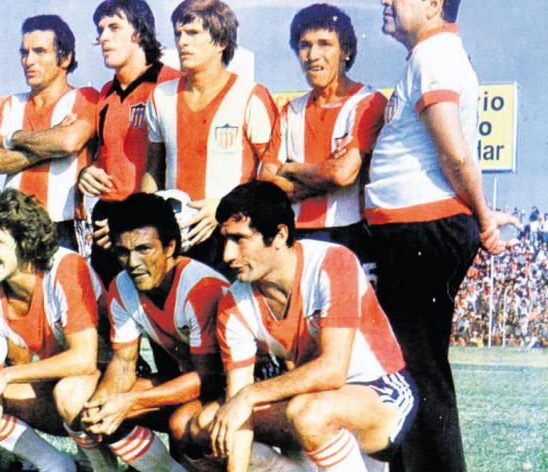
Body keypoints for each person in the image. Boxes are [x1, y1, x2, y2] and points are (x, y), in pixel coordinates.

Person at [369, 1, 518, 470]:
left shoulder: (435, 56)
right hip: (413, 228)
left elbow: (454, 152)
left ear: (434, 5)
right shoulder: (427, 55)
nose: (386, 1)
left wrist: (484, 216)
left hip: (421, 227)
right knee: (412, 365)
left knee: (417, 369)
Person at [189, 181, 417, 472]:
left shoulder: (331, 263)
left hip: (380, 391)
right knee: (208, 426)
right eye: (225, 240)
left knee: (308, 413)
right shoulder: (233, 304)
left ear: (279, 235)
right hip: (310, 399)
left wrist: (249, 395)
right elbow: (238, 411)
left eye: (239, 239)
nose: (227, 255)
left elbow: (333, 370)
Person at [0, 188, 102, 472]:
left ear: (24, 241)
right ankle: (56, 466)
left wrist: (8, 375)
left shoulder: (65, 267)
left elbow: (84, 359)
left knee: (69, 393)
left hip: (109, 383)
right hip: (64, 385)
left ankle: (102, 468)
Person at [75, 192, 228, 471]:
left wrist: (132, 399)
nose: (133, 262)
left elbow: (207, 378)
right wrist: (102, 400)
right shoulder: (121, 285)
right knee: (93, 407)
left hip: (234, 383)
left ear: (170, 247)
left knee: (182, 423)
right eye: (123, 252)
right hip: (189, 379)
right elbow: (124, 363)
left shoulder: (201, 288)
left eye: (143, 249)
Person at [143, 0, 280, 270]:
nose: (182, 42)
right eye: (179, 34)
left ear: (221, 42)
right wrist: (144, 218)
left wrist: (226, 205)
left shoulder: (250, 95)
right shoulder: (161, 96)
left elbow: (270, 179)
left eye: (193, 33)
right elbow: (153, 169)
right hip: (176, 235)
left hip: (231, 236)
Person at [260, 4, 386, 276]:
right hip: (295, 236)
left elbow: (342, 174)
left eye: (324, 44)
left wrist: (291, 168)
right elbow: (266, 184)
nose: (313, 55)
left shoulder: (367, 102)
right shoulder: (291, 110)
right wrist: (324, 176)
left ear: (346, 51)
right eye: (305, 45)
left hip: (347, 233)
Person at [77, 0, 181, 286]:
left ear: (138, 33)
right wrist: (86, 173)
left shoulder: (171, 85)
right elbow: (103, 156)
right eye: (100, 30)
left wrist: (130, 220)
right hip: (106, 222)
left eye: (114, 27)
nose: (103, 37)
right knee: (111, 305)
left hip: (151, 217)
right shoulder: (105, 94)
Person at [0, 15, 98, 252]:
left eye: (40, 52)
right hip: (14, 225)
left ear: (65, 58)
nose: (29, 61)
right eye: (24, 53)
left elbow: (68, 142)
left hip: (62, 224)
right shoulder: (11, 104)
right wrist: (46, 145)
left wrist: (13, 138)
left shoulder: (84, 97)